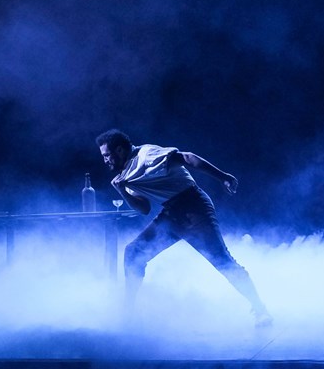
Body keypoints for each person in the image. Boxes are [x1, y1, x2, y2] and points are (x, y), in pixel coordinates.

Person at [95, 128, 272, 327]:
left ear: (119, 150)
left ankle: (260, 309)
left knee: (222, 260)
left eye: (107, 155)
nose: (105, 160)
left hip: (194, 207)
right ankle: (127, 314)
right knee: (134, 251)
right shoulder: (125, 176)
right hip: (172, 213)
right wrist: (122, 190)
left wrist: (223, 176)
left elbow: (187, 158)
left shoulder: (146, 154)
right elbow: (144, 209)